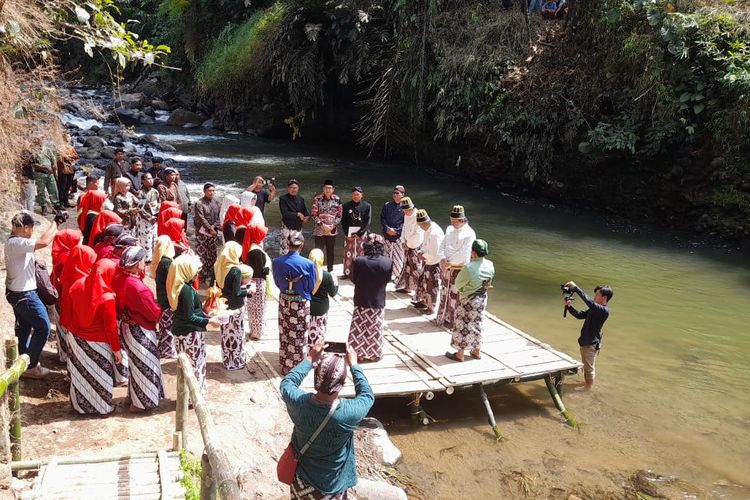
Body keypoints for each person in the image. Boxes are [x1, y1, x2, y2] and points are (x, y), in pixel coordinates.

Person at [280, 339, 374, 499]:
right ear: (342, 383)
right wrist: (354, 366)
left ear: (316, 378)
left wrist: (309, 359)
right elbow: (367, 394)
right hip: (332, 487)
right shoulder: (349, 413)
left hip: (301, 482)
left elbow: (287, 383)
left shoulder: (299, 403)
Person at [4, 212, 58, 379]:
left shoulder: (14, 242)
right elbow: (44, 241)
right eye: (32, 228)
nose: (33, 231)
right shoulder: (17, 243)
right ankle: (31, 365)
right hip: (25, 295)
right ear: (26, 228)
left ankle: (23, 360)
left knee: (24, 328)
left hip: (18, 293)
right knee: (43, 328)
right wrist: (56, 223)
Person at [112, 246, 165, 412]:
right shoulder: (138, 288)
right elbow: (154, 314)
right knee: (146, 365)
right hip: (140, 330)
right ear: (136, 264)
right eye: (142, 261)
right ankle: (141, 403)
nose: (145, 263)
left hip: (127, 326)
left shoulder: (119, 279)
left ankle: (133, 397)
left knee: (136, 364)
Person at [67, 259, 122, 414]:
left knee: (80, 375)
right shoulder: (107, 298)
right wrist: (116, 350)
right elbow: (111, 328)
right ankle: (103, 408)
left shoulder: (77, 285)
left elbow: (71, 312)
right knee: (100, 376)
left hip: (76, 338)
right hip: (98, 343)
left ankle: (80, 406)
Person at [167, 254, 220, 396]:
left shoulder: (179, 286)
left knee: (188, 366)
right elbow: (190, 316)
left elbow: (188, 310)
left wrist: (203, 310)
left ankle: (190, 396)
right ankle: (194, 397)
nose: (197, 274)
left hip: (182, 332)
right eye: (196, 271)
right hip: (190, 334)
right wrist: (209, 321)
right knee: (194, 366)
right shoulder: (186, 290)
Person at [272, 231, 317, 375]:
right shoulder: (309, 264)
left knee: (285, 331)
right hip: (301, 302)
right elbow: (311, 286)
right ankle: (298, 367)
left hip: (285, 300)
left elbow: (278, 283)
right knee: (300, 334)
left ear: (287, 244)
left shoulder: (277, 262)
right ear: (301, 245)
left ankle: (285, 364)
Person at [445, 240, 495, 362]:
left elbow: (458, 284)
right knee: (478, 322)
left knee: (462, 324)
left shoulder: (469, 267)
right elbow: (489, 280)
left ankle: (460, 354)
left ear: (473, 252)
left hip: (469, 299)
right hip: (482, 297)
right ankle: (477, 351)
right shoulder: (490, 265)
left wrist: (464, 290)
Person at [348, 234, 392, 362]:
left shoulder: (359, 261)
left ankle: (357, 353)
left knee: (358, 327)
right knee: (375, 328)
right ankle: (374, 353)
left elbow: (353, 279)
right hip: (377, 300)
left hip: (361, 298)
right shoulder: (387, 262)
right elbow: (387, 280)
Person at [563, 281, 613, 390]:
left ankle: (588, 389)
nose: (594, 297)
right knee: (586, 367)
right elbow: (580, 315)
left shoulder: (603, 310)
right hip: (585, 342)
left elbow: (589, 302)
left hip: (591, 344)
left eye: (597, 295)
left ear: (604, 297)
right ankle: (586, 385)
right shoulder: (595, 309)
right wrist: (570, 307)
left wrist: (576, 288)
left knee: (589, 369)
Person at [436, 205, 476, 329]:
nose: (453, 223)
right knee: (445, 292)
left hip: (459, 268)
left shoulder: (469, 233)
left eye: (455, 221)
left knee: (456, 295)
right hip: (447, 265)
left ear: (462, 220)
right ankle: (443, 316)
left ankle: (454, 320)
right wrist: (442, 258)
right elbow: (442, 246)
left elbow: (464, 254)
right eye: (452, 220)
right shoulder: (449, 229)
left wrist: (449, 261)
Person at [214, 241, 251, 370]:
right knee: (237, 333)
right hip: (235, 306)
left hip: (223, 304)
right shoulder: (235, 271)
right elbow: (237, 293)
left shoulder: (218, 266)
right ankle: (236, 361)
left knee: (225, 333)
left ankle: (226, 360)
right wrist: (248, 291)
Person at [50, 229, 83, 362]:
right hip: (65, 297)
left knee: (60, 326)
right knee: (66, 325)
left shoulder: (60, 254)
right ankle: (66, 356)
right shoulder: (69, 256)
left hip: (58, 295)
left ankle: (62, 353)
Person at [242, 223, 271, 340]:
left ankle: (253, 330)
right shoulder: (256, 251)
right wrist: (268, 268)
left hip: (250, 282)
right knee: (258, 309)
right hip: (258, 283)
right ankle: (257, 333)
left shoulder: (251, 247)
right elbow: (260, 270)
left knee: (252, 308)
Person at [412, 209, 444, 315]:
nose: (420, 227)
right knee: (424, 283)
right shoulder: (427, 230)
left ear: (424, 223)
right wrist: (421, 252)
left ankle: (431, 307)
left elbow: (434, 252)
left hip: (434, 262)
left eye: (420, 225)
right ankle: (424, 302)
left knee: (432, 286)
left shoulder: (434, 233)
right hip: (427, 260)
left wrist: (422, 256)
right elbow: (424, 245)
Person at [152, 235, 177, 359]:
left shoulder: (159, 261)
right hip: (168, 299)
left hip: (162, 297)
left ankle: (163, 348)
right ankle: (167, 352)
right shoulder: (167, 262)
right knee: (168, 326)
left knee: (164, 325)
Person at [311, 180, 343, 273]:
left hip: (332, 230)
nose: (328, 190)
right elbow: (314, 214)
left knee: (331, 251)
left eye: (330, 188)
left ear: (333, 189)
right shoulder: (317, 199)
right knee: (318, 251)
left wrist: (332, 225)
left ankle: (330, 270)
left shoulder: (337, 199)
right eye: (326, 188)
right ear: (323, 189)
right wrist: (322, 225)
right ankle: (317, 270)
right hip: (319, 230)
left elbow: (340, 215)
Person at [308, 248, 339, 345]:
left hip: (307, 306)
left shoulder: (305, 273)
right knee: (319, 330)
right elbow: (332, 293)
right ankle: (317, 348)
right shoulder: (327, 275)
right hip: (321, 307)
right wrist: (336, 284)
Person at [340, 186, 371, 280]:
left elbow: (367, 221)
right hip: (349, 233)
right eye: (354, 194)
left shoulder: (367, 206)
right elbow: (343, 221)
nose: (355, 196)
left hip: (361, 234)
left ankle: (361, 273)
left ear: (362, 195)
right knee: (348, 254)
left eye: (357, 194)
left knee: (361, 254)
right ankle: (347, 272)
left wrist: (359, 234)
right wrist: (347, 234)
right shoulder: (346, 206)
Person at [194, 183, 222, 285]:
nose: (212, 192)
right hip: (202, 233)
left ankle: (211, 275)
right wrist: (209, 228)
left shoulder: (217, 202)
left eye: (213, 190)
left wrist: (214, 227)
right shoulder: (199, 203)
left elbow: (220, 216)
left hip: (213, 232)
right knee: (202, 255)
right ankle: (201, 276)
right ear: (204, 191)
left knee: (212, 254)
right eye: (209, 191)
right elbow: (200, 218)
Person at [395, 196, 423, 294]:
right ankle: (407, 287)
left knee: (416, 267)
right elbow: (404, 228)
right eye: (404, 210)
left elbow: (418, 233)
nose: (406, 212)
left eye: (407, 210)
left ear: (411, 208)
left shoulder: (418, 215)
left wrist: (409, 244)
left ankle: (417, 290)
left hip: (416, 245)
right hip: (407, 243)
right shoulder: (406, 215)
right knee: (407, 266)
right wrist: (403, 241)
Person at [380, 185, 405, 282]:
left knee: (398, 256)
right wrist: (387, 228)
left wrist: (396, 230)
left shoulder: (405, 207)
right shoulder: (387, 205)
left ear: (402, 195)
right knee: (386, 254)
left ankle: (397, 275)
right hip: (387, 233)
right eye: (394, 193)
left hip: (398, 235)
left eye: (397, 193)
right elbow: (382, 218)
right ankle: (385, 274)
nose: (394, 195)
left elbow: (405, 222)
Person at [278, 179, 309, 256]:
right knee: (285, 249)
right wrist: (297, 214)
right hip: (287, 227)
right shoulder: (283, 199)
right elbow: (285, 213)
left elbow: (305, 211)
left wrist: (306, 217)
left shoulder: (301, 199)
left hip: (298, 228)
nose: (293, 189)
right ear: (288, 188)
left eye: (295, 188)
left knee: (297, 249)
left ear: (298, 188)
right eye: (291, 187)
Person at [32, 138, 61, 216]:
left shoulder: (47, 149)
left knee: (53, 190)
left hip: (50, 173)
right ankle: (43, 207)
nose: (40, 142)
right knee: (41, 191)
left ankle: (56, 207)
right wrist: (44, 168)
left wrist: (54, 165)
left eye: (41, 140)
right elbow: (33, 165)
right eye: (38, 141)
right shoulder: (33, 151)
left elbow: (53, 158)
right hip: (39, 174)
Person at [137, 172, 159, 262]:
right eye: (148, 179)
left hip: (154, 218)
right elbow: (140, 208)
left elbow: (157, 205)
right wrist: (149, 217)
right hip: (144, 219)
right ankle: (145, 259)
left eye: (151, 178)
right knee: (145, 239)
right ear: (143, 181)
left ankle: (153, 257)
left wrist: (156, 216)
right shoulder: (141, 193)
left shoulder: (155, 191)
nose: (151, 180)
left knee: (154, 237)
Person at [56, 133, 78, 208]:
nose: (69, 138)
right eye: (68, 136)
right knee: (62, 186)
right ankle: (60, 203)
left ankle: (66, 201)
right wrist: (66, 157)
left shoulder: (70, 147)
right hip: (63, 169)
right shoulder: (60, 148)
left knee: (68, 186)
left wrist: (70, 156)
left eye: (69, 136)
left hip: (70, 168)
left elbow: (76, 156)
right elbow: (59, 158)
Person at [19, 148, 36, 212]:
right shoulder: (28, 161)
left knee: (23, 200)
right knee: (29, 200)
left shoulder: (20, 161)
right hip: (28, 181)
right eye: (25, 155)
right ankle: (30, 216)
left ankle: (24, 216)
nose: (25, 157)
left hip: (24, 181)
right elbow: (33, 159)